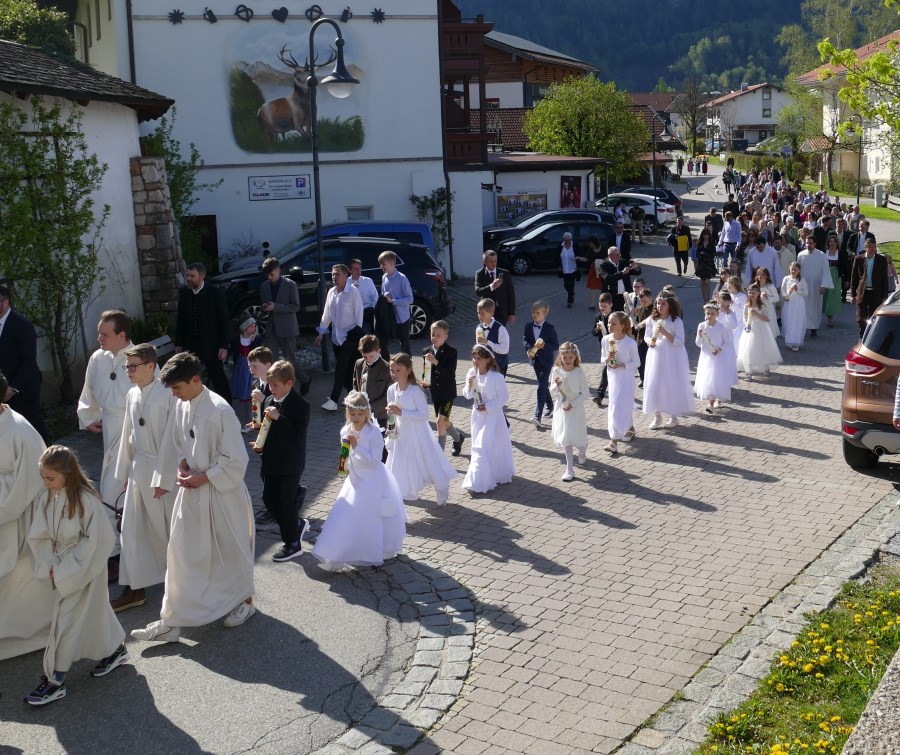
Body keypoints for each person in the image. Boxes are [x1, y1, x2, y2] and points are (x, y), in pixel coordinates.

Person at [131, 352, 255, 643]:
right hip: (192, 491)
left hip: (221, 493)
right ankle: (172, 619)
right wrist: (178, 467)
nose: (174, 394)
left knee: (230, 550)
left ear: (195, 380)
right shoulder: (182, 403)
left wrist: (205, 476)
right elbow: (174, 442)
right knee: (181, 553)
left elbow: (236, 458)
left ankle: (245, 602)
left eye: (177, 387)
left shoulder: (220, 409)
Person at [25, 446, 128, 705]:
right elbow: (39, 533)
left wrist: (66, 568)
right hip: (61, 564)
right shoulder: (47, 496)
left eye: (50, 478)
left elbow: (99, 541)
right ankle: (115, 648)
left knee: (65, 622)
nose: (45, 484)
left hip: (84, 569)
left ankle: (55, 680)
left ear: (68, 475)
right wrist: (49, 562)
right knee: (95, 611)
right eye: (43, 478)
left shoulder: (86, 500)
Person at [111, 343, 177, 613]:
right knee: (132, 531)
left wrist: (164, 476)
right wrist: (124, 472)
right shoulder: (131, 394)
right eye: (127, 366)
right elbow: (128, 433)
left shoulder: (168, 394)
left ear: (151, 366)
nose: (128, 371)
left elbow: (173, 440)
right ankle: (134, 587)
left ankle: (183, 585)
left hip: (161, 475)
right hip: (139, 470)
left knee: (168, 532)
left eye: (133, 366)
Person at [312, 391, 407, 571]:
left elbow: (374, 461)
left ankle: (374, 549)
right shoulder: (345, 431)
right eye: (352, 414)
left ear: (367, 413)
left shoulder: (373, 433)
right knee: (346, 514)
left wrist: (358, 447)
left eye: (360, 414)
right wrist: (344, 464)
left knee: (370, 515)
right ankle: (335, 556)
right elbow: (345, 454)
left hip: (372, 480)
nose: (356, 418)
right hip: (354, 478)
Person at [0, 370, 52, 662]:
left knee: (22, 578)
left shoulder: (20, 430)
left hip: (20, 520)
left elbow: (29, 484)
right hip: (5, 517)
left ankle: (37, 634)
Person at [77, 310, 135, 559]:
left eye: (104, 334)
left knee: (126, 491)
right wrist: (89, 416)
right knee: (111, 491)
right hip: (111, 429)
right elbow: (89, 389)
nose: (99, 338)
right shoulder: (97, 359)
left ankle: (128, 551)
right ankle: (115, 552)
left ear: (122, 335)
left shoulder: (140, 358)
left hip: (136, 431)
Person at [249, 360, 310, 562]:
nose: (272, 389)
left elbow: (297, 433)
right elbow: (266, 428)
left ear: (289, 383)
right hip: (271, 461)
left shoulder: (301, 405)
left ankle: (292, 543)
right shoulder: (268, 401)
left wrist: (279, 418)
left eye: (276, 385)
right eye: (270, 385)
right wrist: (259, 443)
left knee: (284, 502)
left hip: (290, 463)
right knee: (269, 499)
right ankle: (297, 523)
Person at [385, 354, 458, 506]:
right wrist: (390, 426)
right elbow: (392, 413)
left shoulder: (415, 391)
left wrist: (401, 412)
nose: (394, 374)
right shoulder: (391, 389)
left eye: (398, 370)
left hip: (417, 433)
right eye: (392, 370)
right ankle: (403, 490)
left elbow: (424, 415)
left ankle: (442, 485)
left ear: (408, 370)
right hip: (401, 434)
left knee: (428, 461)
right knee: (401, 462)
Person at [174, 262, 232, 403]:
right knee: (189, 376)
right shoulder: (184, 293)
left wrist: (224, 345)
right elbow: (180, 320)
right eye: (187, 275)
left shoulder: (215, 293)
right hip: (190, 344)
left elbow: (224, 320)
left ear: (202, 276)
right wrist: (179, 343)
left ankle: (227, 407)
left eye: (192, 276)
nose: (188, 278)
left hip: (211, 345)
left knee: (218, 377)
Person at [462, 345, 514, 494]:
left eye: (479, 358)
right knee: (479, 445)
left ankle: (479, 481)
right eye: (474, 358)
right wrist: (470, 384)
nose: (475, 361)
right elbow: (467, 395)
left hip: (493, 417)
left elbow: (504, 397)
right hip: (478, 417)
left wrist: (489, 406)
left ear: (488, 359)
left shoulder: (496, 377)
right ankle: (480, 477)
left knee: (485, 445)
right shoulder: (472, 373)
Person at [0, 284, 48, 441]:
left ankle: (51, 462)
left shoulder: (22, 326)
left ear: (5, 303)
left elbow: (28, 362)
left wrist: (12, 388)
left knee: (33, 429)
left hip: (23, 388)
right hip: (2, 390)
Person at [316, 264, 364, 411]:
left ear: (345, 275)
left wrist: (357, 335)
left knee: (340, 368)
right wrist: (320, 333)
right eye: (332, 274)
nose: (334, 277)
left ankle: (333, 400)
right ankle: (352, 395)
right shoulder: (331, 292)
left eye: (337, 274)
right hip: (336, 338)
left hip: (350, 337)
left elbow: (359, 314)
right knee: (348, 368)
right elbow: (327, 314)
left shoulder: (353, 292)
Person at [642, 294, 695, 429]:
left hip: (671, 356)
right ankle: (657, 416)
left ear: (670, 305)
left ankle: (673, 416)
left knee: (670, 383)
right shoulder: (651, 320)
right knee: (655, 382)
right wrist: (650, 342)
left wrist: (665, 333)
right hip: (656, 355)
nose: (660, 306)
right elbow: (647, 336)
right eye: (658, 303)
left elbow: (680, 341)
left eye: (663, 304)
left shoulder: (676, 321)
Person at [422, 321, 465, 456]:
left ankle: (439, 455)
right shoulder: (426, 351)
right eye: (433, 334)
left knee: (440, 421)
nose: (435, 337)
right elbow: (426, 371)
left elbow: (449, 373)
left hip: (447, 392)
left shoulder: (451, 352)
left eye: (438, 335)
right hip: (435, 393)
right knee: (444, 421)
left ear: (445, 336)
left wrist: (436, 362)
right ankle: (458, 438)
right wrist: (425, 380)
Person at [549, 342, 589, 480]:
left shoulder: (579, 372)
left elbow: (585, 393)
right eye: (564, 357)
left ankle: (582, 449)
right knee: (566, 437)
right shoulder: (556, 371)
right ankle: (569, 469)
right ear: (560, 357)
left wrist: (573, 403)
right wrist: (557, 385)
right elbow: (552, 390)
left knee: (576, 436)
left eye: (570, 358)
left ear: (575, 357)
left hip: (575, 409)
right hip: (562, 407)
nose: (567, 360)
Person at [600, 314, 639, 455]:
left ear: (622, 326)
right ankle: (628, 429)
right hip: (613, 378)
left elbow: (637, 362)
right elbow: (602, 359)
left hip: (626, 378)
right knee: (615, 405)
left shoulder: (630, 343)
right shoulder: (606, 340)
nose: (610, 326)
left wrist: (622, 365)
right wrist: (607, 358)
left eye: (613, 323)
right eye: (609, 323)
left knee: (622, 405)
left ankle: (613, 441)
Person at [523, 300, 559, 428]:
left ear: (545, 314)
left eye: (537, 312)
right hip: (535, 360)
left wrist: (545, 346)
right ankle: (550, 406)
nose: (534, 314)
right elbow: (525, 340)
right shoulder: (528, 326)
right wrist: (528, 349)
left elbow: (555, 345)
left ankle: (537, 416)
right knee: (542, 384)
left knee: (541, 385)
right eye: (533, 312)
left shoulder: (550, 328)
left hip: (547, 360)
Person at [737, 284, 782, 380]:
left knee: (762, 348)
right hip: (750, 330)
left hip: (761, 329)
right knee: (748, 349)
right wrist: (746, 325)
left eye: (754, 292)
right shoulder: (746, 306)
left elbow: (767, 319)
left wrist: (756, 314)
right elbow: (744, 318)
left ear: (758, 294)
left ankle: (765, 366)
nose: (751, 294)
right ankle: (748, 372)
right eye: (750, 292)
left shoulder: (761, 306)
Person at [259, 257, 300, 360]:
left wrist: (276, 307)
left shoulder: (291, 285)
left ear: (278, 270)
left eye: (271, 275)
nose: (269, 277)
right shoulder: (264, 286)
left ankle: (304, 377)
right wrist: (264, 307)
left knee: (290, 361)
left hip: (287, 329)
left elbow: (296, 306)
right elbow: (264, 304)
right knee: (270, 359)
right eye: (267, 275)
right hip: (271, 329)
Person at [694, 302, 730, 414]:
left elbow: (727, 343)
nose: (709, 316)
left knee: (715, 379)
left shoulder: (721, 327)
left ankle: (711, 404)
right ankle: (712, 401)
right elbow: (698, 343)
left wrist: (719, 349)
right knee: (708, 379)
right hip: (706, 357)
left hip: (717, 357)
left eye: (712, 314)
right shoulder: (701, 326)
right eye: (708, 313)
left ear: (717, 314)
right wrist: (699, 336)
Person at [850, 237, 889, 338]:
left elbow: (885, 279)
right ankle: (862, 334)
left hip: (875, 292)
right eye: (870, 247)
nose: (872, 249)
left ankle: (871, 335)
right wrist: (853, 294)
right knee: (861, 316)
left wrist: (885, 296)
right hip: (863, 291)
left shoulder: (881, 260)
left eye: (874, 247)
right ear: (865, 247)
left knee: (873, 315)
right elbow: (854, 277)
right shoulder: (859, 259)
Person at [353, 334, 390, 437]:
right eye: (364, 356)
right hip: (361, 412)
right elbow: (356, 385)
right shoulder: (359, 364)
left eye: (371, 356)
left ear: (378, 351)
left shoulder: (386, 368)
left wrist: (371, 407)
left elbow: (388, 394)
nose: (368, 359)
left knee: (380, 444)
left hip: (380, 414)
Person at [379, 251, 414, 359]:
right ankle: (387, 367)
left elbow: (410, 299)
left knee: (404, 345)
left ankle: (408, 370)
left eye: (383, 264)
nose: (381, 266)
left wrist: (393, 301)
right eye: (380, 264)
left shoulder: (402, 278)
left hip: (402, 318)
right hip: (389, 317)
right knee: (383, 342)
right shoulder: (384, 277)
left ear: (391, 263)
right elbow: (383, 294)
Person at [797, 236, 834, 338]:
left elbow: (826, 271)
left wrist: (824, 285)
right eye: (807, 243)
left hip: (816, 285)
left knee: (815, 307)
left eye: (811, 243)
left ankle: (814, 328)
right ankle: (803, 327)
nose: (808, 245)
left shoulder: (821, 255)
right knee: (803, 307)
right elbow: (797, 271)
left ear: (815, 243)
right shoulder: (801, 255)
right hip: (804, 285)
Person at [228, 317, 262, 427]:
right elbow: (232, 353)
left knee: (253, 392)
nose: (254, 328)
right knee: (243, 393)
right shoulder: (235, 340)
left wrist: (253, 341)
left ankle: (255, 419)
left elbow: (258, 353)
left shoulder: (256, 339)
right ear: (244, 328)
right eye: (251, 326)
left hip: (253, 367)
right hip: (241, 368)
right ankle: (246, 419)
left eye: (254, 326)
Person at [474, 251, 516, 326]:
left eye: (495, 261)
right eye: (491, 261)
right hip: (487, 311)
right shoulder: (480, 274)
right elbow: (478, 292)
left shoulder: (504, 273)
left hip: (501, 311)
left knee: (500, 334)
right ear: (485, 262)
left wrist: (512, 313)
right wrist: (492, 286)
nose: (494, 264)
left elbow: (511, 294)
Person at [598, 246, 640, 312]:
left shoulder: (623, 262)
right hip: (611, 297)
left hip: (625, 296)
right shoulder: (603, 266)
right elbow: (608, 278)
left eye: (619, 254)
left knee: (626, 316)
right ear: (610, 255)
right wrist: (622, 273)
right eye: (617, 255)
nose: (619, 256)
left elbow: (637, 272)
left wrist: (635, 267)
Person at [475, 298, 510, 375]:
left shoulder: (500, 329)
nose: (479, 316)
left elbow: (505, 349)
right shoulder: (479, 327)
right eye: (478, 313)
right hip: (485, 366)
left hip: (499, 365)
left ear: (491, 314)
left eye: (482, 314)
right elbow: (478, 347)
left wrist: (487, 342)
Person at [592, 293, 614, 406]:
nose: (602, 308)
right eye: (600, 306)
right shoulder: (598, 316)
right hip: (604, 346)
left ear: (611, 305)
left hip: (614, 346)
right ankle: (601, 395)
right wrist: (597, 329)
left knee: (607, 368)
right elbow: (593, 333)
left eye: (604, 306)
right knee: (608, 367)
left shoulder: (615, 316)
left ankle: (599, 395)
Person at [781, 262, 808, 352]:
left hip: (798, 304)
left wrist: (798, 290)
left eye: (795, 269)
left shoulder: (802, 280)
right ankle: (789, 341)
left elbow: (806, 293)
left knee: (797, 322)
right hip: (789, 303)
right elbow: (783, 290)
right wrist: (786, 296)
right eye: (792, 269)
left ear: (799, 270)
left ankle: (796, 342)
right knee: (789, 321)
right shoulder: (786, 278)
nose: (793, 271)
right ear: (789, 269)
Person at [716, 291, 740, 389]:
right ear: (718, 302)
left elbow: (733, 325)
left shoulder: (731, 313)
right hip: (717, 339)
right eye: (723, 305)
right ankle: (718, 380)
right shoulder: (715, 312)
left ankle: (727, 381)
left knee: (728, 360)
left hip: (728, 340)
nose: (725, 307)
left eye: (727, 305)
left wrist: (728, 314)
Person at [349, 258, 379, 334]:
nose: (358, 271)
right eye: (355, 269)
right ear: (350, 270)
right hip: (352, 315)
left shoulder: (367, 281)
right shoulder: (346, 282)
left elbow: (375, 298)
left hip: (366, 313)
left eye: (359, 268)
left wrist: (372, 310)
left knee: (365, 336)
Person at [631, 288, 654, 387]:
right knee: (640, 360)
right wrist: (636, 325)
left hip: (651, 337)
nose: (643, 303)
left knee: (650, 360)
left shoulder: (655, 309)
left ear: (650, 298)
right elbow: (637, 320)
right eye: (641, 301)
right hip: (640, 338)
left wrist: (642, 325)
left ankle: (651, 378)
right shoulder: (639, 308)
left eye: (645, 301)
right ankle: (643, 378)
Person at [754, 267, 780, 340]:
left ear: (767, 276)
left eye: (762, 274)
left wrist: (768, 297)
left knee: (769, 326)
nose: (760, 276)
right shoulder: (755, 286)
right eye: (758, 274)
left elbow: (777, 298)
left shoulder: (770, 286)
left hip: (769, 309)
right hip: (758, 309)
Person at [695, 227, 718, 303]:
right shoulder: (700, 243)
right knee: (703, 283)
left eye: (707, 234)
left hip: (709, 264)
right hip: (701, 265)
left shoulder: (712, 244)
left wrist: (704, 255)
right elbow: (698, 254)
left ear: (709, 235)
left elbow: (713, 254)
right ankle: (704, 299)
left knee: (707, 282)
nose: (706, 236)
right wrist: (704, 255)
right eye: (704, 234)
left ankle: (708, 299)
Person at [584, 236, 605, 310]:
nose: (589, 244)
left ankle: (603, 303)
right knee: (592, 286)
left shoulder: (603, 248)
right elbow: (586, 258)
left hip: (603, 268)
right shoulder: (590, 249)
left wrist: (601, 261)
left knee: (604, 286)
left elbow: (608, 257)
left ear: (593, 242)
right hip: (593, 269)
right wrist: (577, 258)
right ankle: (592, 303)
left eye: (590, 243)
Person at [560, 232, 578, 308]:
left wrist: (578, 265)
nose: (567, 241)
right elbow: (557, 257)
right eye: (566, 240)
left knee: (571, 285)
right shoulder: (561, 246)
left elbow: (579, 256)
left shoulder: (575, 246)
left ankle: (569, 301)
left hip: (573, 269)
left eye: (569, 240)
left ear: (571, 239)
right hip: (564, 269)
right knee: (566, 285)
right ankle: (572, 293)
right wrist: (558, 266)